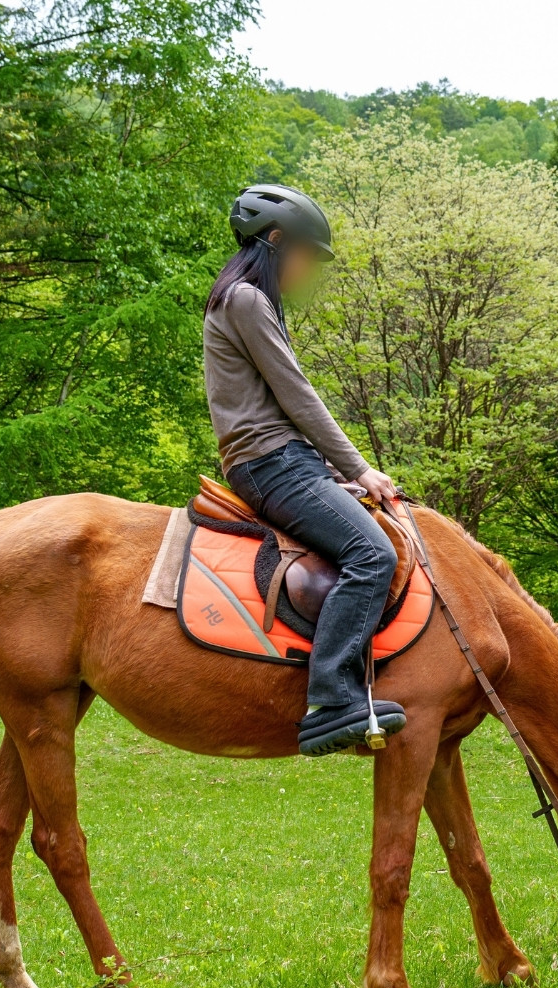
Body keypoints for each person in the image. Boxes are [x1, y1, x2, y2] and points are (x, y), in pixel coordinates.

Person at [203, 184, 406, 756]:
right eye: (305, 255)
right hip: (272, 462)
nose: (307, 269)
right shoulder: (246, 299)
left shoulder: (244, 299)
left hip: (282, 458)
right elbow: (297, 395)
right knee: (373, 555)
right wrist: (359, 469)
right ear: (275, 240)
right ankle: (332, 697)